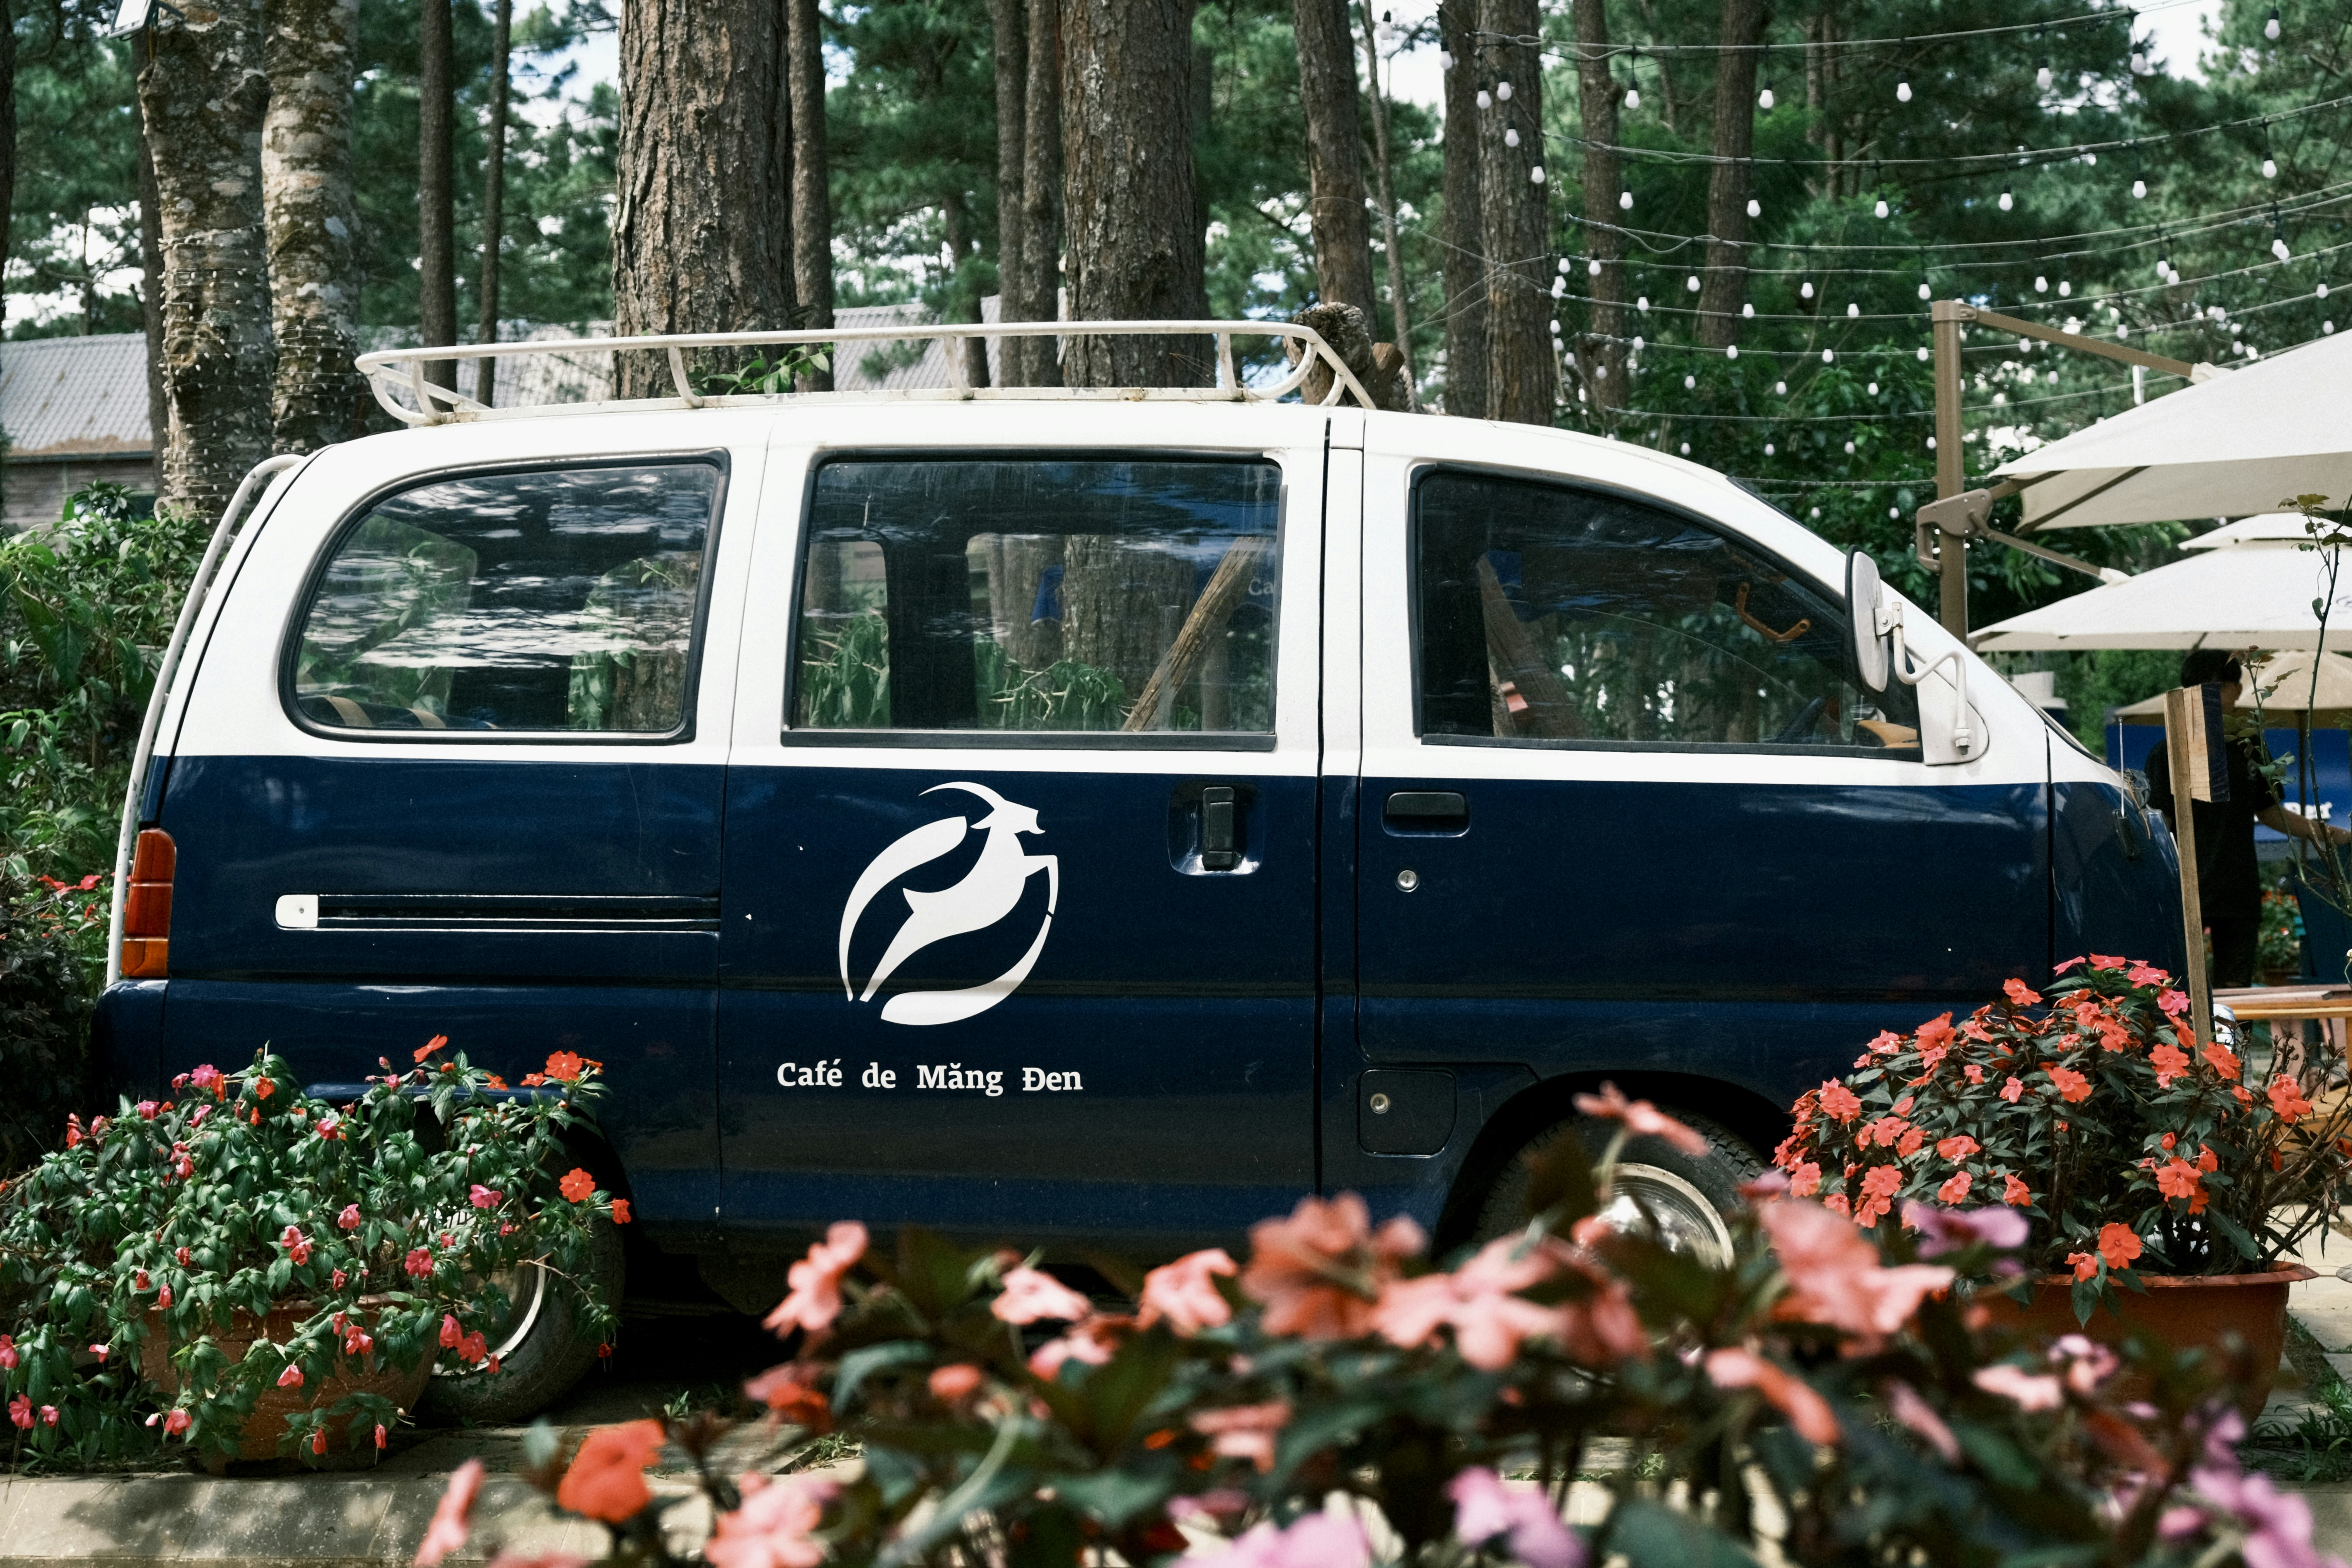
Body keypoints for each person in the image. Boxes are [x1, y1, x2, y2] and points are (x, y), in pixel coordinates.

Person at [2145, 649, 2352, 987]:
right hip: (2185, 891)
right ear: (2186, 694)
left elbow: (2270, 812)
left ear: (2236, 690)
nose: (2210, 697)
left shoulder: (2249, 747)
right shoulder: (2168, 751)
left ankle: (2231, 1026)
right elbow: (2161, 823)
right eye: (2201, 689)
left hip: (2237, 889)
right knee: (2181, 988)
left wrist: (2329, 834)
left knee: (2235, 987)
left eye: (2218, 688)